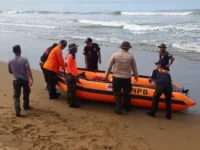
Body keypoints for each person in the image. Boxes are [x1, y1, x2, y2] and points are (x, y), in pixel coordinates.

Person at [104, 41, 139, 115]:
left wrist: (106, 76)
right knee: (127, 93)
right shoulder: (131, 56)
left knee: (117, 93)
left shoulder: (115, 55)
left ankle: (118, 109)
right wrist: (136, 76)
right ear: (128, 48)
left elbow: (109, 66)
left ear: (121, 47)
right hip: (126, 78)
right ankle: (127, 108)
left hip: (117, 77)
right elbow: (134, 68)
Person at [8, 45, 33, 117]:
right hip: (25, 80)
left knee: (16, 96)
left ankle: (17, 109)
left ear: (13, 52)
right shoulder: (24, 59)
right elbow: (28, 70)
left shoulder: (10, 61)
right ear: (20, 50)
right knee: (26, 93)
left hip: (16, 80)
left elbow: (10, 71)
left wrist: (16, 72)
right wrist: (31, 79)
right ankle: (26, 106)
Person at [65, 43, 80, 108]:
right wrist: (70, 74)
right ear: (72, 49)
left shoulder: (71, 55)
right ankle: (72, 104)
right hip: (71, 75)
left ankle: (70, 101)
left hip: (72, 74)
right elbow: (67, 64)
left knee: (70, 89)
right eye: (75, 48)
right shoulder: (70, 55)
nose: (77, 49)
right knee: (72, 90)